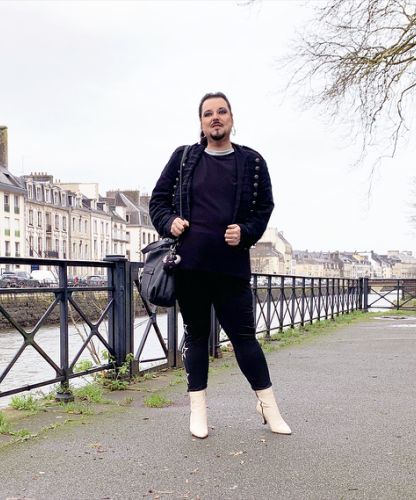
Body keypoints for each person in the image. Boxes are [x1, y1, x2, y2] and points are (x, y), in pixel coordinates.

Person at [149, 92, 291, 439]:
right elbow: (158, 202)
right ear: (201, 122)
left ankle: (268, 407)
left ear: (231, 118)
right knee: (196, 338)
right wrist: (169, 222)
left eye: (221, 111)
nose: (215, 117)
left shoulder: (251, 161)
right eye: (208, 113)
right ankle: (198, 411)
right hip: (191, 268)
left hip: (231, 269)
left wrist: (246, 232)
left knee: (245, 340)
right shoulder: (183, 158)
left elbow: (264, 208)